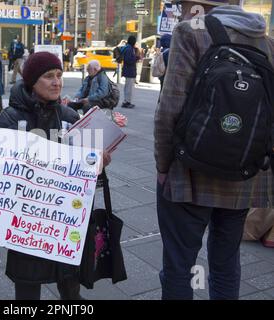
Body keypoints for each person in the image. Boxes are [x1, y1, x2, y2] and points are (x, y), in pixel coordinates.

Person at [154, 0, 274, 300]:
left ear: (198, 7)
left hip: (192, 171)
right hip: (244, 173)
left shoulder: (190, 32)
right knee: (226, 262)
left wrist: (162, 164)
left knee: (180, 266)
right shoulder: (268, 42)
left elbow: (170, 107)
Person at [0, 51, 112, 300]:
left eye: (59, 75)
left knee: (69, 281)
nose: (57, 81)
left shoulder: (71, 117)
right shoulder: (11, 118)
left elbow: (89, 174)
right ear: (31, 82)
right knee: (27, 284)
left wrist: (99, 161)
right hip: (26, 220)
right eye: (48, 76)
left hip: (65, 217)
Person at [120, 36, 138, 109]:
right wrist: (136, 58)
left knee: (128, 87)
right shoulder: (129, 49)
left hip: (128, 70)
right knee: (129, 87)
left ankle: (127, 101)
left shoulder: (128, 48)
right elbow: (128, 60)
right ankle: (126, 102)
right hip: (129, 70)